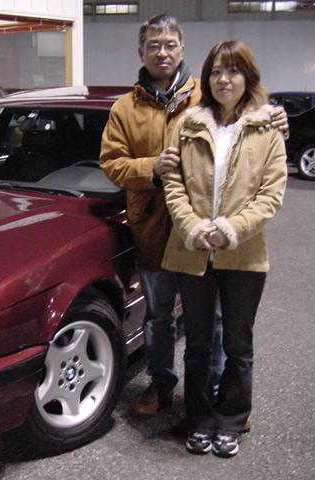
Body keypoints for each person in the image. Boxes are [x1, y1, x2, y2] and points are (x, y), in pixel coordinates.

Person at [99, 14, 288, 417]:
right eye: (154, 45)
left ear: (182, 49)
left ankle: (216, 392)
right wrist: (151, 166)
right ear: (140, 52)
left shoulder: (209, 91)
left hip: (209, 234)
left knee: (214, 321)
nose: (162, 52)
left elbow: (250, 117)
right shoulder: (125, 108)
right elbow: (111, 163)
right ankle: (161, 385)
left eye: (170, 44)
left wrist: (277, 115)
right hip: (155, 227)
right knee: (158, 316)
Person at [161, 40, 287, 457]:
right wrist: (193, 227)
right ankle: (199, 419)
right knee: (197, 344)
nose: (223, 79)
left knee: (238, 344)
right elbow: (174, 183)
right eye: (216, 71)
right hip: (192, 250)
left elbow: (271, 194)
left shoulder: (267, 129)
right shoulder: (189, 123)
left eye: (232, 71)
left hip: (244, 254)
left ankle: (231, 419)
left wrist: (231, 229)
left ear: (248, 77)